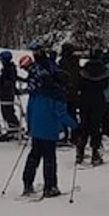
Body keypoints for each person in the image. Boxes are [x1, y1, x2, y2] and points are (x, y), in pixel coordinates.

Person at [23, 54, 76, 199]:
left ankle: (27, 183)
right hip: (49, 132)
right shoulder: (58, 95)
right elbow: (61, 115)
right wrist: (76, 126)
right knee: (49, 159)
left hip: (36, 130)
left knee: (33, 157)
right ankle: (50, 186)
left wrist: (30, 126)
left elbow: (30, 109)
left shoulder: (38, 91)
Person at [74, 53, 109, 164]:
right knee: (96, 127)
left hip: (85, 100)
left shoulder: (84, 70)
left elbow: (79, 85)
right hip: (98, 100)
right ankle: (95, 153)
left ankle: (80, 152)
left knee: (84, 126)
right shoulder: (104, 71)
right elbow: (105, 86)